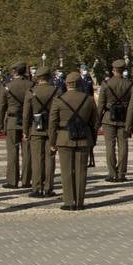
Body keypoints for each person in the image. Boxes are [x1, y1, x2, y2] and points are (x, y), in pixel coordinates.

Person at [49, 71, 99, 211]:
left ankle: (69, 201)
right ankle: (80, 202)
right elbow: (95, 122)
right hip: (84, 138)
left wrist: (52, 142)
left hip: (64, 138)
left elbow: (52, 124)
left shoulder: (59, 100)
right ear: (80, 84)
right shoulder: (88, 100)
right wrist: (92, 139)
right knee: (81, 171)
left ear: (67, 84)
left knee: (66, 171)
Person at [23, 66, 58, 198]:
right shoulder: (56, 91)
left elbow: (26, 114)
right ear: (49, 77)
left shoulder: (31, 92)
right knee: (50, 158)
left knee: (37, 159)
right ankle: (48, 187)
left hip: (36, 126)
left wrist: (26, 131)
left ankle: (37, 187)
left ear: (37, 78)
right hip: (51, 126)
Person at [98, 59, 133, 183]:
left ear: (113, 70)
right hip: (124, 117)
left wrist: (97, 122)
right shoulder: (129, 84)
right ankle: (122, 173)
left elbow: (101, 104)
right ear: (123, 70)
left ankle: (112, 173)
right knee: (123, 146)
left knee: (110, 146)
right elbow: (132, 105)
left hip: (108, 117)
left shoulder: (106, 84)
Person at [0, 63, 32, 189]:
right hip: (28, 121)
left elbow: (2, 106)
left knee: (12, 151)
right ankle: (26, 179)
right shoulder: (31, 85)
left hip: (12, 120)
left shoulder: (8, 86)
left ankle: (12, 180)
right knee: (27, 151)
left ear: (15, 72)